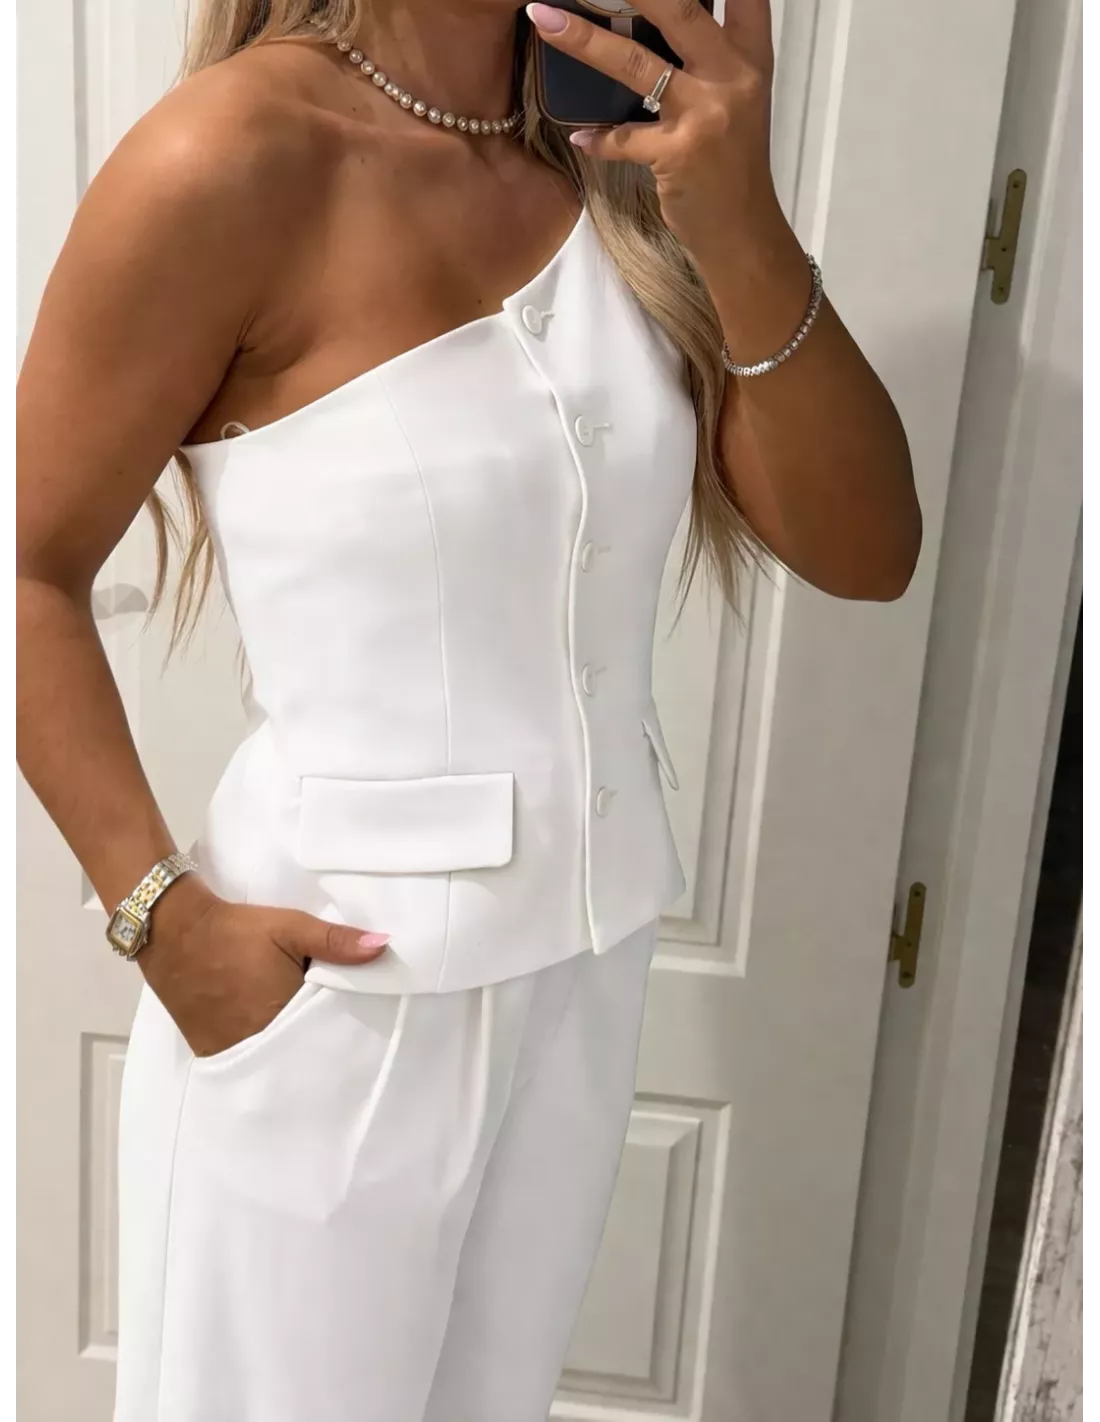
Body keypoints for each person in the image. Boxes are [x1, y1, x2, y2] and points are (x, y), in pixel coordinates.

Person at [15, 2, 921, 1418]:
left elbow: (871, 552)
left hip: (580, 982)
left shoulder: (622, 150)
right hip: (325, 1003)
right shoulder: (229, 157)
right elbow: (24, 571)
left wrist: (739, 213)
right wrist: (159, 919)